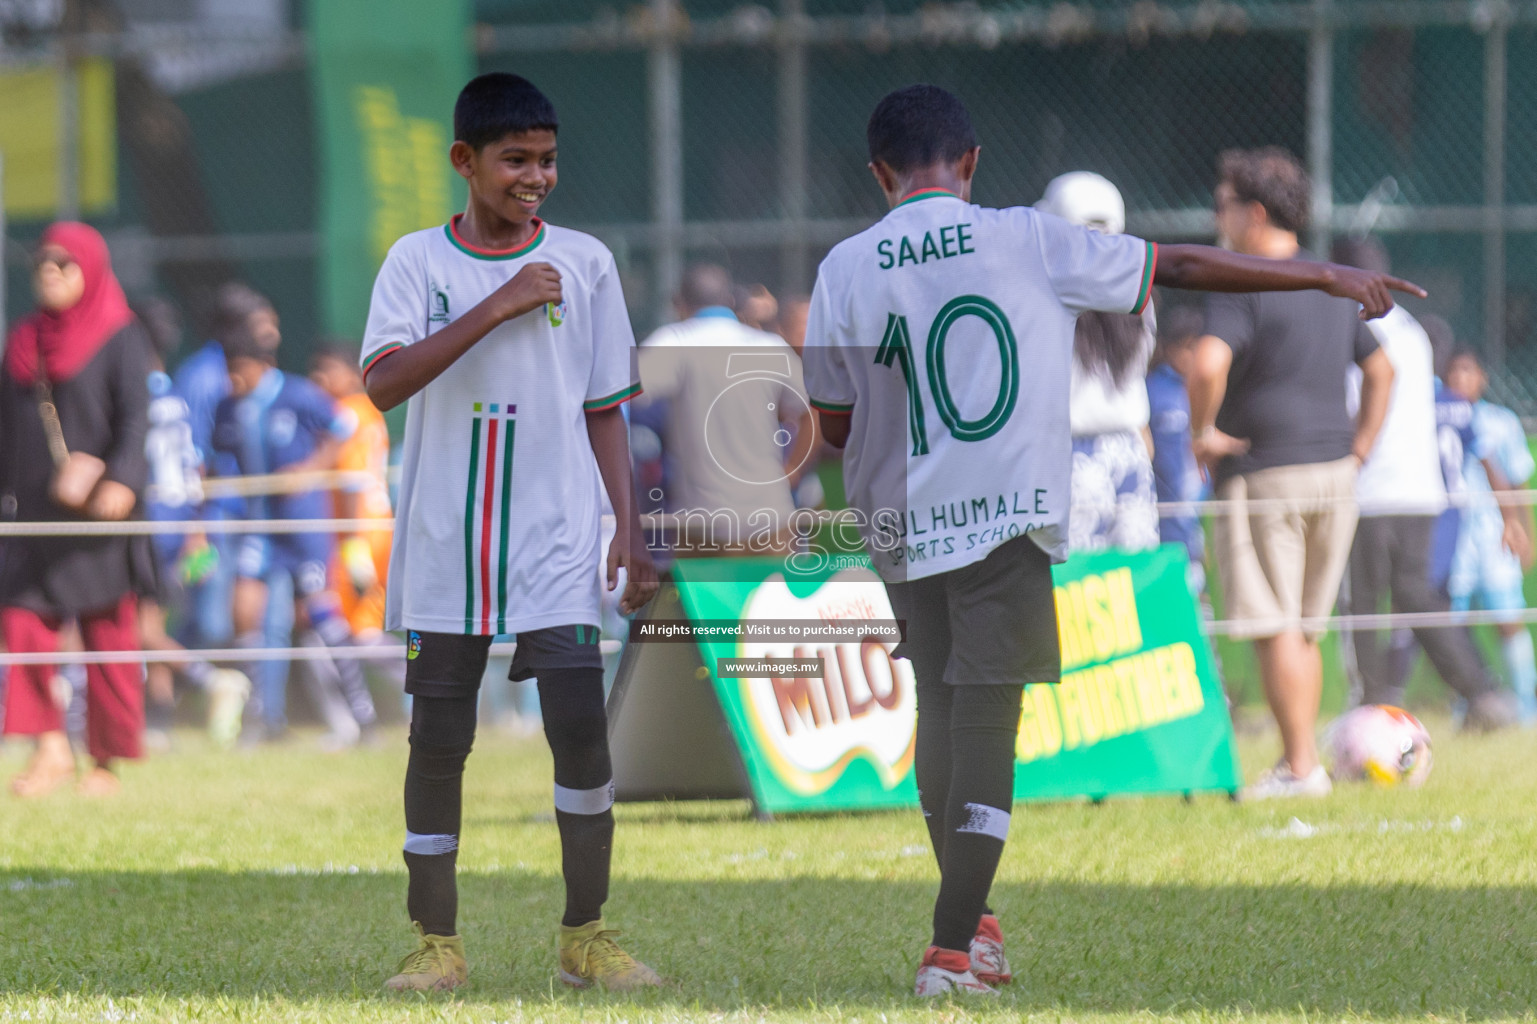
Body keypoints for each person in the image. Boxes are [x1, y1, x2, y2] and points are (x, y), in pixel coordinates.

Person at [800, 86, 1419, 996]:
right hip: (1000, 516)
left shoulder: (843, 267)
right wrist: (1320, 275)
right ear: (969, 163)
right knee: (985, 720)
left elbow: (835, 423)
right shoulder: (1027, 236)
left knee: (940, 710)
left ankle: (971, 929)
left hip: (896, 519)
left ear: (878, 174)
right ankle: (947, 949)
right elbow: (1184, 268)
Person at [360, 72, 659, 993]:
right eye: (514, 160)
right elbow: (382, 383)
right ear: (465, 162)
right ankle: (436, 944)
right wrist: (495, 304)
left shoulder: (587, 262)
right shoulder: (417, 263)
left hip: (558, 537)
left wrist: (631, 525)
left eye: (547, 160)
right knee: (439, 737)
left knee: (580, 725)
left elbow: (605, 407)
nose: (535, 176)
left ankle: (587, 935)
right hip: (450, 540)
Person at [1186, 148, 1397, 800]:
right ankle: (1298, 761)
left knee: (1272, 623)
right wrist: (1358, 449)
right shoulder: (1327, 278)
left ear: (1253, 212)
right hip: (1334, 473)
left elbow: (1204, 363)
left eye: (1222, 204)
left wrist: (1202, 430)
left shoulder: (1244, 280)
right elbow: (1382, 368)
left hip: (1263, 474)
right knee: (1303, 626)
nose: (1216, 217)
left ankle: (1299, 767)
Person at [1329, 238, 1512, 726]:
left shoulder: (1354, 326)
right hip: (1420, 489)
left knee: (1362, 603)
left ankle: (1368, 706)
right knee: (1417, 597)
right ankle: (1481, 691)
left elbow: (1351, 404)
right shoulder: (1409, 329)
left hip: (1371, 488)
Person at [0, 223, 155, 797]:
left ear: (90, 268)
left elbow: (137, 418)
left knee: (108, 635)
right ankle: (50, 749)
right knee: (22, 625)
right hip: (34, 516)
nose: (50, 270)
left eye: (65, 262)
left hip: (100, 516)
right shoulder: (23, 338)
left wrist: (121, 479)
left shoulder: (121, 335)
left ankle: (106, 763)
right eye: (43, 261)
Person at [212, 328, 378, 747]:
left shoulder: (299, 395)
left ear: (262, 366)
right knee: (244, 611)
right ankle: (262, 718)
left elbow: (343, 430)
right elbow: (222, 460)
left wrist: (309, 469)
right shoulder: (230, 407)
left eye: (239, 370)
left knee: (323, 617)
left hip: (304, 529)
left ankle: (365, 716)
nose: (234, 379)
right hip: (260, 528)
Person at [634, 263, 817, 555]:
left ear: (678, 303)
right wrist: (793, 469)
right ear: (730, 302)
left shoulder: (674, 342)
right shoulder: (769, 346)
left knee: (702, 602)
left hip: (703, 523)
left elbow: (622, 397)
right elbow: (814, 408)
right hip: (771, 517)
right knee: (772, 600)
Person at [135, 296, 250, 749]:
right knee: (155, 626)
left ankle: (214, 682)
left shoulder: (132, 395)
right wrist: (197, 529)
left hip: (148, 525)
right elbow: (197, 466)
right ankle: (159, 717)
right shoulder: (175, 398)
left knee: (139, 629)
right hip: (184, 524)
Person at [1036, 171, 1159, 553]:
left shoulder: (1044, 292)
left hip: (1067, 456)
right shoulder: (1138, 292)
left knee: (1075, 584)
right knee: (1133, 583)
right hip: (1130, 450)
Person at [1442, 348, 1537, 719]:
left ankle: (1527, 707)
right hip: (1452, 534)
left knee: (1508, 618)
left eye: (1469, 371)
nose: (1460, 378)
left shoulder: (1502, 422)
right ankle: (1464, 705)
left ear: (1482, 377)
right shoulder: (1437, 417)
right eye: (1454, 371)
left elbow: (1517, 480)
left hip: (1494, 532)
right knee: (1452, 623)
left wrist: (1523, 529)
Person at [309, 344, 404, 693]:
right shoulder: (369, 411)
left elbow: (351, 482)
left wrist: (351, 547)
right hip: (377, 528)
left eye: (328, 368)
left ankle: (428, 683)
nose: (319, 378)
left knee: (355, 633)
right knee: (348, 630)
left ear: (351, 373)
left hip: (358, 535)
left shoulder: (346, 413)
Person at [1146, 304, 1207, 587]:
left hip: (1204, 518)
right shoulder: (1152, 390)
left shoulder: (1207, 388)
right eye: (1188, 347)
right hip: (1165, 524)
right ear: (1170, 348)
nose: (1193, 357)